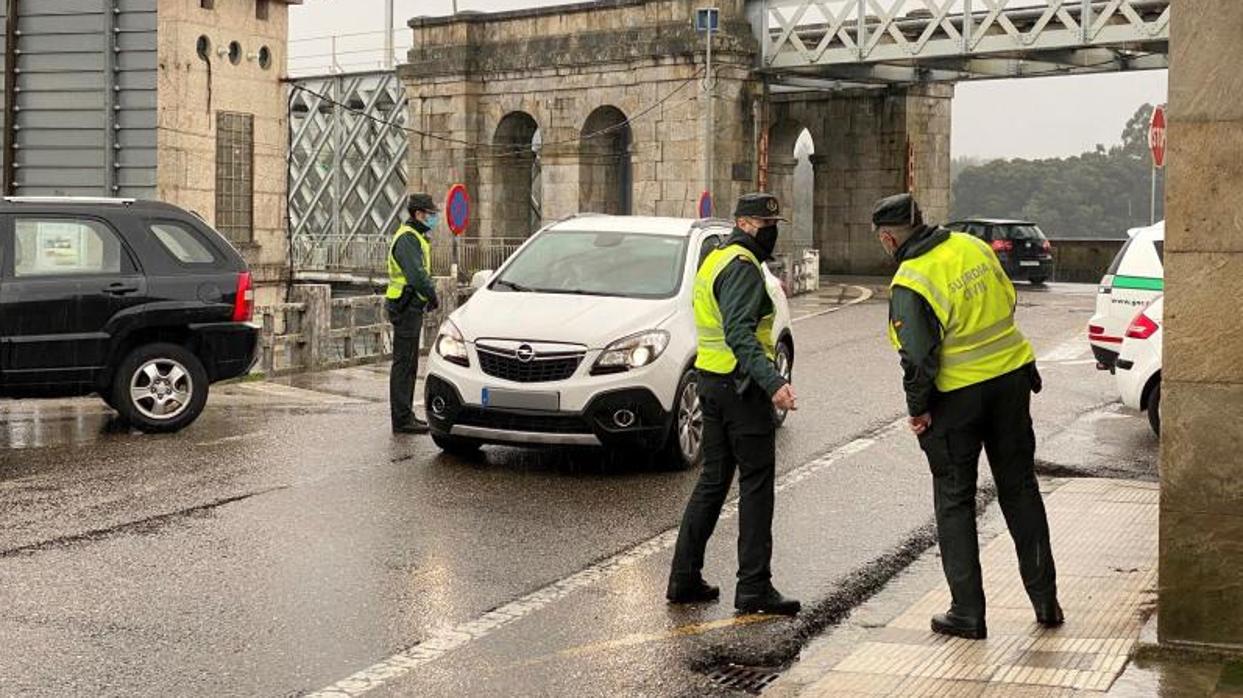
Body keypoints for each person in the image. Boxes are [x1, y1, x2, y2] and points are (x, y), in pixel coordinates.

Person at [872, 192, 1063, 640]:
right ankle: (1046, 602)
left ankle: (968, 614)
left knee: (955, 502)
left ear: (887, 238)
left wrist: (918, 409)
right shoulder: (972, 245)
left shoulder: (911, 280)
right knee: (1020, 489)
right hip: (1012, 380)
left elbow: (918, 359)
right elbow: (1008, 298)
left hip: (957, 399)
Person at [666, 192, 801, 616]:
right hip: (743, 389)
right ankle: (754, 587)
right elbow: (741, 333)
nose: (772, 233)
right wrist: (774, 381)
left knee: (713, 481)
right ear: (744, 224)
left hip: (712, 381)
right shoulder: (742, 268)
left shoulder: (715, 260)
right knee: (756, 486)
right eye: (767, 226)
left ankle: (684, 578)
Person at [388, 193, 441, 435]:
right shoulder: (408, 239)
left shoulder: (415, 236)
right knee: (404, 365)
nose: (434, 218)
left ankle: (405, 415)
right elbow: (416, 275)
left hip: (409, 306)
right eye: (431, 214)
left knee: (408, 364)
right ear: (419, 214)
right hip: (406, 306)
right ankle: (401, 419)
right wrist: (432, 296)